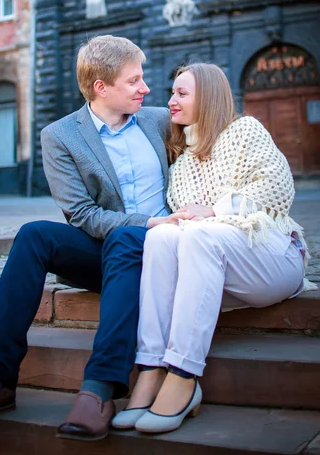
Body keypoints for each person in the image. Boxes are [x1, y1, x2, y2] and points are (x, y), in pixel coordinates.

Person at [0, 35, 189, 439]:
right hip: (111, 249)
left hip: (163, 250)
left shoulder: (158, 119)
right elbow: (83, 214)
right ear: (101, 87)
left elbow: (219, 125)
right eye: (134, 81)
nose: (145, 87)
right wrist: (145, 223)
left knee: (126, 239)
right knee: (34, 235)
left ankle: (100, 389)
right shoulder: (60, 136)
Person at [112, 62, 315, 435]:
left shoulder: (245, 131)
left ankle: (184, 376)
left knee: (199, 234)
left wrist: (216, 210)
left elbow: (278, 188)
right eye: (172, 92)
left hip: (272, 256)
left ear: (207, 97)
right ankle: (151, 366)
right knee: (160, 236)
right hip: (216, 263)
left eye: (181, 93)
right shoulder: (183, 159)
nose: (171, 100)